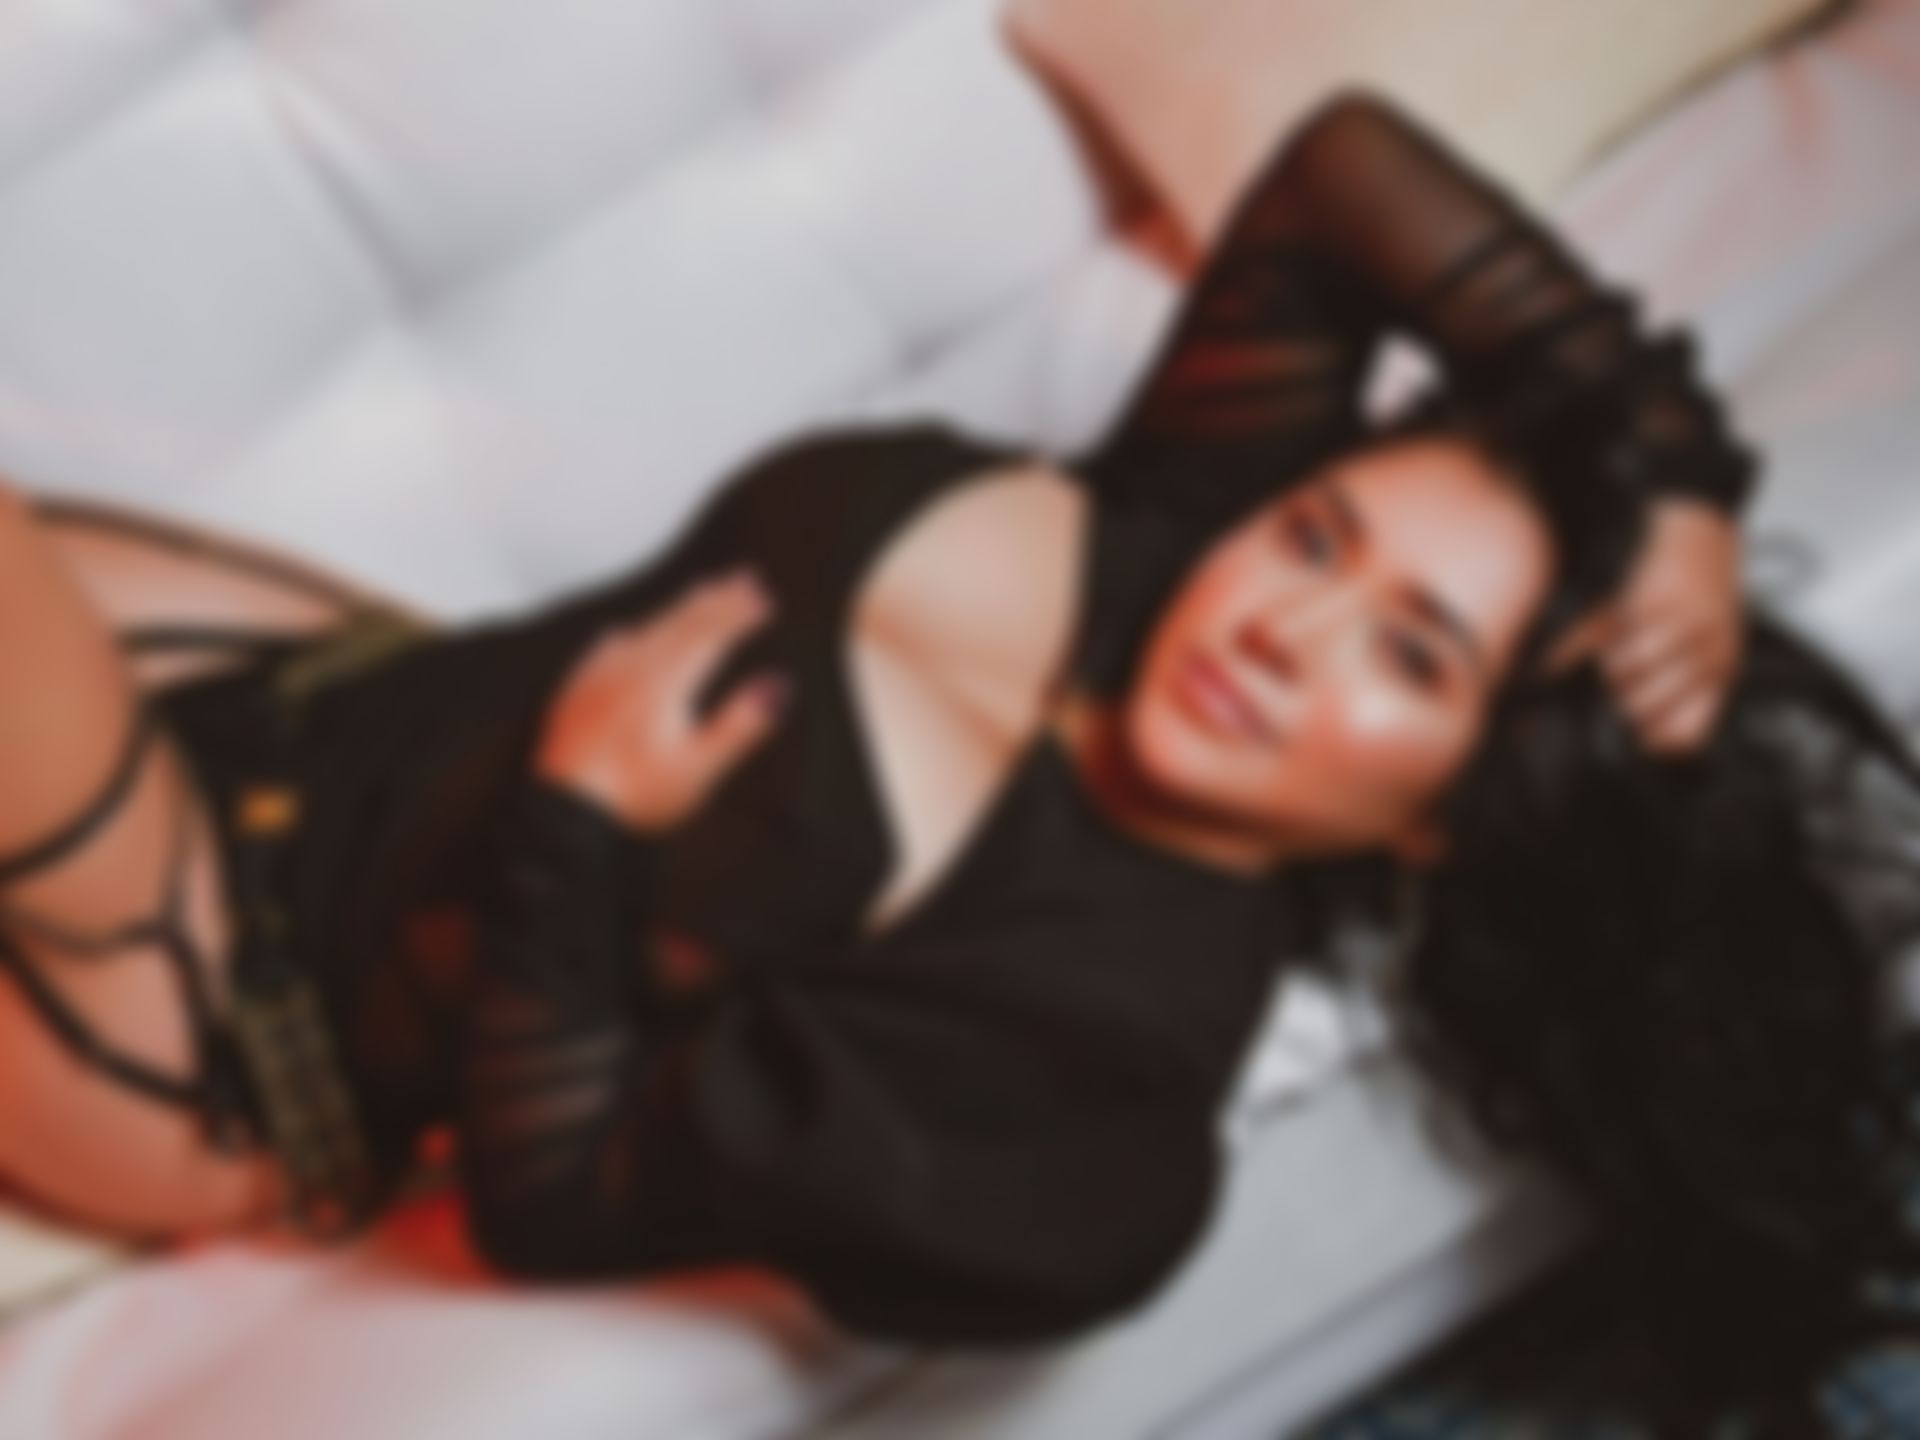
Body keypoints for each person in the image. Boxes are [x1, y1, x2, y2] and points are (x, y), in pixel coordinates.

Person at [0, 88, 1911, 1429]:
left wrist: (581, 824)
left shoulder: (1089, 1063)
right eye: (1317, 536)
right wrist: (1661, 450)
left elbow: (552, 1195)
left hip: (219, 1016)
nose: (1284, 623)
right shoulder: (1172, 533)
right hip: (313, 684)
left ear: (1446, 821)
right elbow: (1345, 169)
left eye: (1409, 655)